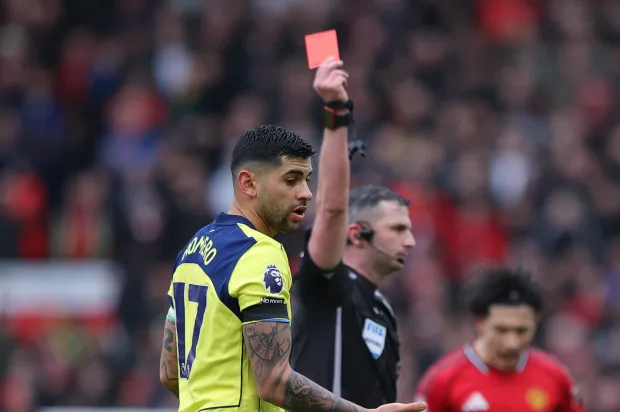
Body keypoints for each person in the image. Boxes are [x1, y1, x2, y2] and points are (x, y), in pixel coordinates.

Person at [158, 57, 427, 412]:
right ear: (248, 183)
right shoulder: (259, 254)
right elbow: (273, 381)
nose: (306, 193)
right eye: (291, 180)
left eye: (306, 180)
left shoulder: (192, 250)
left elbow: (169, 372)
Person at [289, 56, 416, 407]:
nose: (410, 241)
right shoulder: (328, 283)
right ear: (357, 234)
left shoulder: (382, 307)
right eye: (398, 229)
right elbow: (331, 209)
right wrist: (336, 112)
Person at [413, 268, 584, 412]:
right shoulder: (443, 380)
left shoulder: (556, 378)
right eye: (502, 330)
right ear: (480, 323)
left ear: (536, 323)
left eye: (521, 331)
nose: (512, 343)